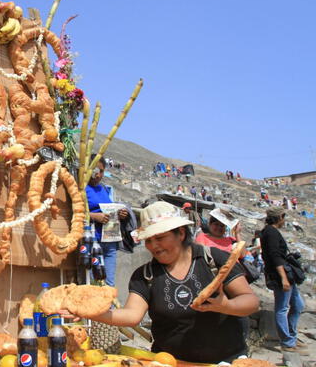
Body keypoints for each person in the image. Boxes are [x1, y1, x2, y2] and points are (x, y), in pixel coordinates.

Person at [60, 202, 259, 363]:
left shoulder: (213, 260)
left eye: (160, 238)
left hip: (224, 361)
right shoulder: (145, 275)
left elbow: (250, 301)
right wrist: (88, 311)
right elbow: (131, 315)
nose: (153, 246)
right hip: (168, 362)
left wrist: (226, 306)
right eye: (148, 240)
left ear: (181, 233)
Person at [260, 207, 307, 355]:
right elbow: (275, 256)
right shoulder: (270, 232)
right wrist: (283, 278)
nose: (284, 220)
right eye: (283, 217)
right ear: (279, 217)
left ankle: (292, 337)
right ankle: (287, 342)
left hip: (286, 275)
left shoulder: (270, 231)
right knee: (282, 308)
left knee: (298, 305)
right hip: (280, 276)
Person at [85, 155, 129, 287]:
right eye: (96, 170)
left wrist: (120, 214)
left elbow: (109, 209)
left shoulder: (103, 189)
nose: (98, 175)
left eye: (101, 171)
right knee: (93, 283)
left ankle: (109, 307)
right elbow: (75, 212)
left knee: (109, 283)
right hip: (93, 242)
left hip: (110, 242)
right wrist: (94, 216)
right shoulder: (81, 188)